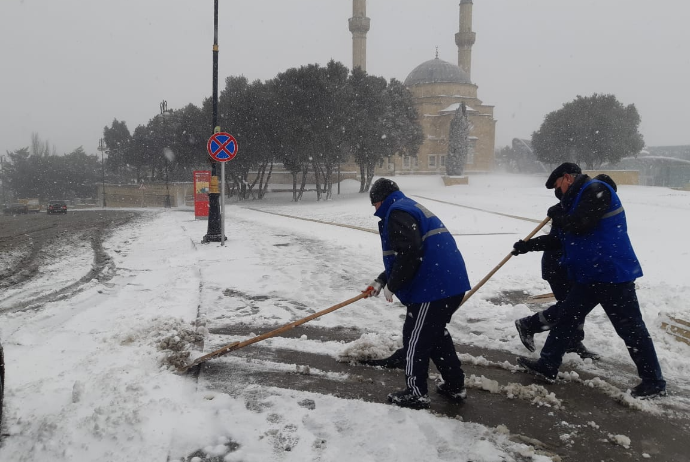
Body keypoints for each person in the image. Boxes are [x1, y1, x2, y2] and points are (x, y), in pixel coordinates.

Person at [516, 163, 667, 399]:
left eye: (558, 186)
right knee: (567, 316)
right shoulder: (576, 201)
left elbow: (579, 224)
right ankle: (548, 365)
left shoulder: (597, 190)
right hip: (589, 276)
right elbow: (560, 240)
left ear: (567, 178)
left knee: (631, 328)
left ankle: (654, 382)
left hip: (611, 274)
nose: (559, 193)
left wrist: (559, 214)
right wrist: (527, 246)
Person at [363, 178, 471, 409]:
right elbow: (409, 252)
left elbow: (410, 253)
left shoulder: (396, 212)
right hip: (450, 283)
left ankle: (416, 393)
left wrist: (394, 283)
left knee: (415, 338)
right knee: (434, 335)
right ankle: (454, 384)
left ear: (379, 201)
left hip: (432, 288)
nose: (374, 210)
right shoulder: (408, 206)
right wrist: (382, 280)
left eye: (374, 205)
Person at [511, 170, 619, 361]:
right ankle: (530, 325)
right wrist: (528, 245)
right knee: (569, 308)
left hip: (573, 266)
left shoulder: (585, 208)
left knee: (575, 308)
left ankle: (571, 342)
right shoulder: (572, 208)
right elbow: (555, 240)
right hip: (558, 267)